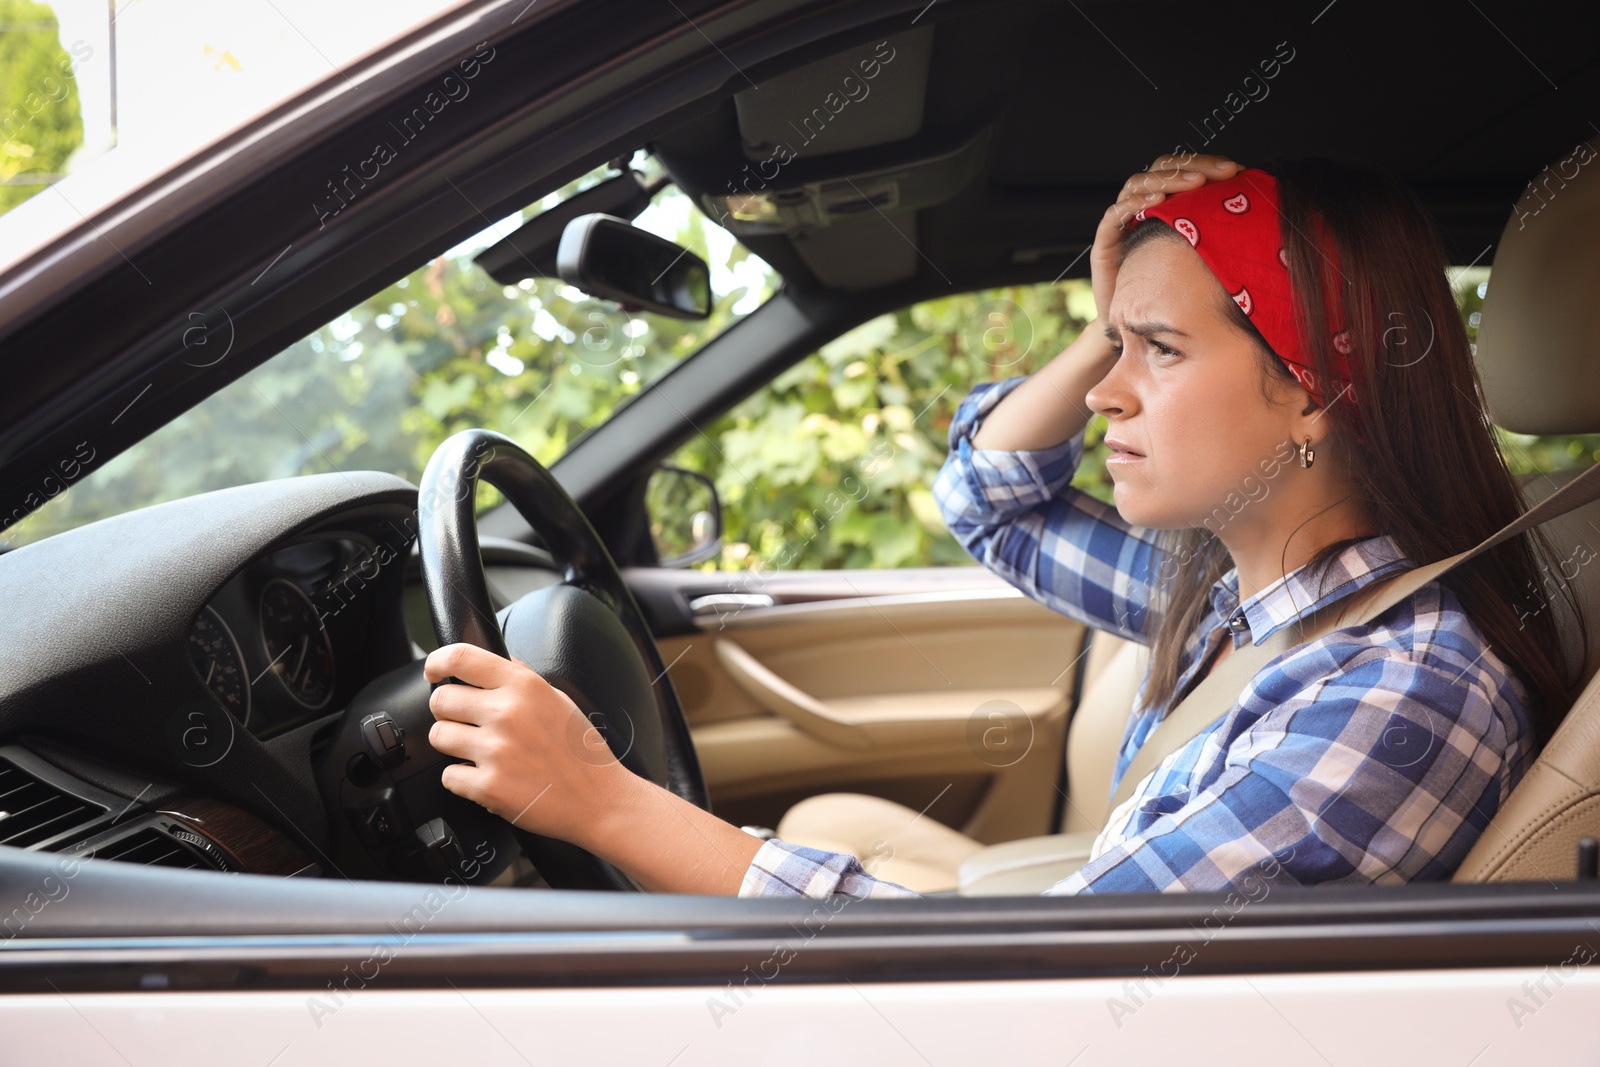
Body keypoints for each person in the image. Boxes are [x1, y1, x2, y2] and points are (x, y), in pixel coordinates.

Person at [421, 152, 1585, 898]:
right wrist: (1112, 312)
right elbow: (994, 504)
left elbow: (1043, 993)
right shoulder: (1251, 592)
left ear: (1320, 394)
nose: (1101, 392)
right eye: (1110, 348)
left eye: (1159, 351)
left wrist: (602, 796)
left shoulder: (1397, 690)